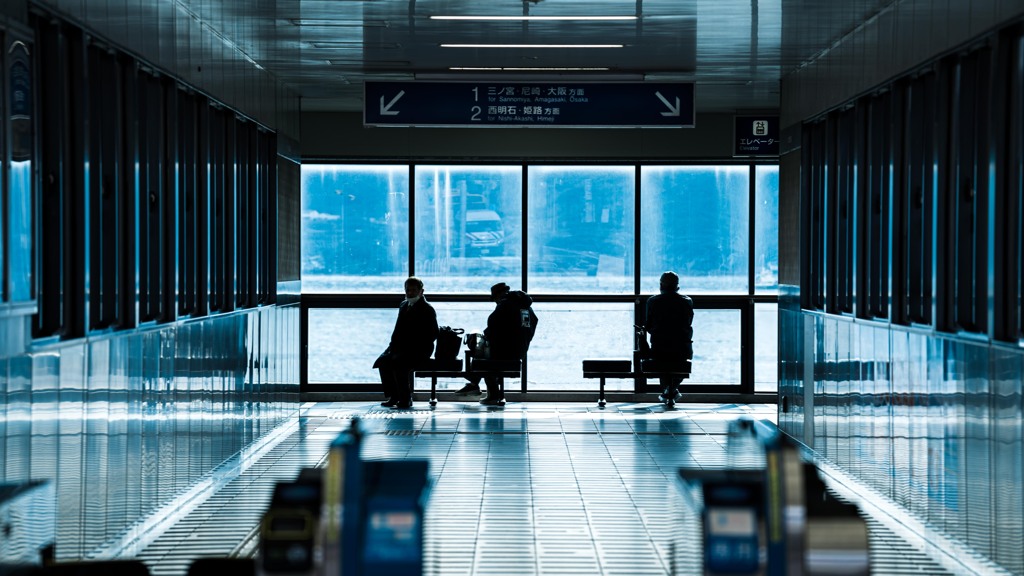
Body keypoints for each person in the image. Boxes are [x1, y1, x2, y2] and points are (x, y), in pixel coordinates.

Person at [457, 282, 538, 405]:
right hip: (520, 351)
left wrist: (485, 337)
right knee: (487, 351)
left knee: (481, 351)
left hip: (506, 351)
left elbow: (493, 327)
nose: (495, 302)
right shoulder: (527, 307)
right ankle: (478, 386)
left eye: (494, 299)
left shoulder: (504, 305)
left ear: (498, 295)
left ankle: (481, 388)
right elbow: (529, 327)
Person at [373, 277, 438, 409]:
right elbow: (398, 329)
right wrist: (392, 347)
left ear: (421, 291)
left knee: (399, 363)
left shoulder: (427, 309)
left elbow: (432, 333)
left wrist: (409, 346)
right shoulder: (404, 305)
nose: (410, 293)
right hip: (402, 347)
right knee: (383, 361)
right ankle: (394, 395)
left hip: (420, 349)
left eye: (414, 290)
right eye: (408, 290)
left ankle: (405, 398)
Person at [644, 271, 694, 404]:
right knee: (677, 365)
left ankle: (668, 391)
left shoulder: (653, 301)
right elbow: (688, 322)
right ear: (677, 286)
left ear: (661, 285)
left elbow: (648, 326)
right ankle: (670, 391)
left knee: (663, 361)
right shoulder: (687, 301)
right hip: (682, 349)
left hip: (659, 349)